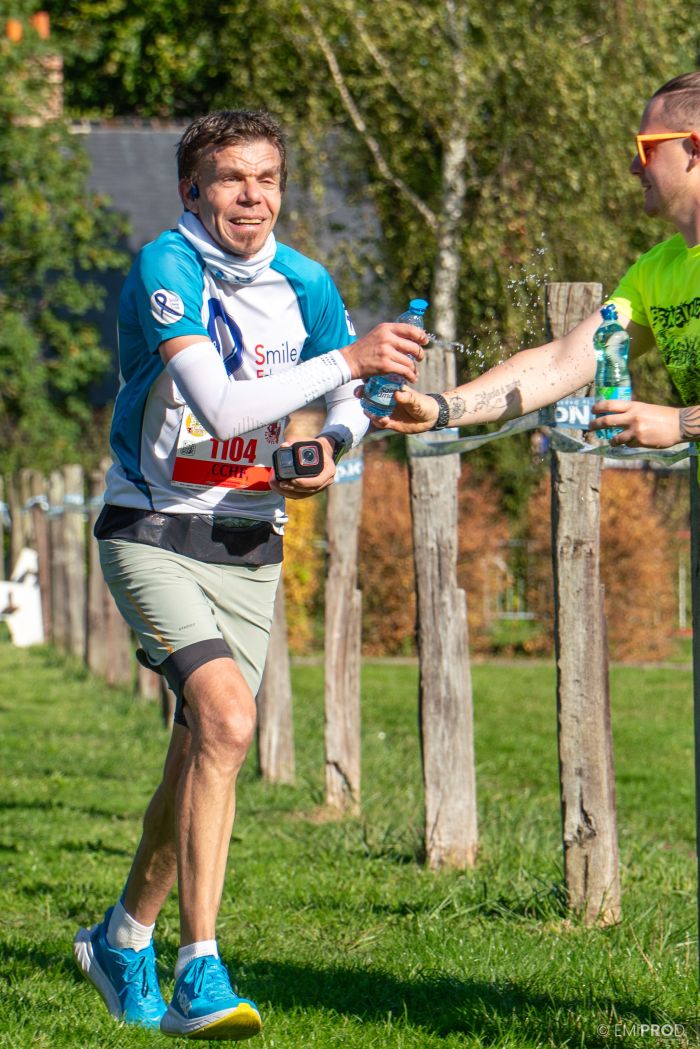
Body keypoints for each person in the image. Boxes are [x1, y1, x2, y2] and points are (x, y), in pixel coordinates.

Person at [73, 109, 426, 1042]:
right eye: (231, 179)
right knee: (230, 719)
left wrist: (333, 444)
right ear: (192, 190)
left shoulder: (305, 281)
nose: (252, 197)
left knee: (201, 749)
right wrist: (345, 361)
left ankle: (122, 938)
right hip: (149, 526)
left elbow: (351, 405)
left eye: (267, 178)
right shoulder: (168, 267)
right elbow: (221, 406)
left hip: (248, 542)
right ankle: (200, 969)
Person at [374, 72, 700, 451]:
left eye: (646, 149)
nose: (633, 166)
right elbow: (558, 364)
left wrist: (681, 423)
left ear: (694, 149)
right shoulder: (656, 270)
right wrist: (441, 408)